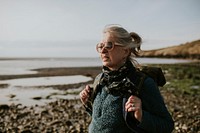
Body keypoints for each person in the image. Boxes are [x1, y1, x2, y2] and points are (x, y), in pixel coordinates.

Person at [79, 24, 174, 133]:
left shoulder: (142, 83)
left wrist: (141, 116)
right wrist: (88, 103)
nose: (103, 50)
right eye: (101, 46)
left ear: (125, 51)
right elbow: (102, 122)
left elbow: (167, 125)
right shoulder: (100, 80)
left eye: (109, 45)